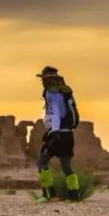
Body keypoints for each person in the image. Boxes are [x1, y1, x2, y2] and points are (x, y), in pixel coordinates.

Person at [34, 66, 81, 203]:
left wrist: (53, 132)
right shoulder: (66, 91)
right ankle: (74, 196)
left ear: (46, 80)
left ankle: (49, 195)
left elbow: (55, 113)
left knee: (41, 163)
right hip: (68, 134)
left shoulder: (50, 92)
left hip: (57, 133)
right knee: (66, 166)